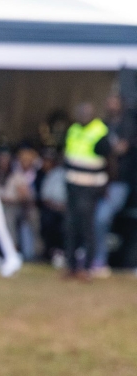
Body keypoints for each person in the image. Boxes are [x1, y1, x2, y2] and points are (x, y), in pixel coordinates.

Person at [63, 102, 111, 280]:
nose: (82, 115)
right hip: (72, 185)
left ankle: (88, 267)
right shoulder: (73, 130)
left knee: (86, 227)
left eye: (86, 113)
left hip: (90, 187)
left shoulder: (99, 131)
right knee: (70, 226)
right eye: (80, 112)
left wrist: (104, 186)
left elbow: (110, 160)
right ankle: (71, 266)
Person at [91, 93, 134, 277]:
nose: (111, 106)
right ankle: (96, 260)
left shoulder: (128, 125)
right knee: (93, 218)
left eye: (114, 102)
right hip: (100, 181)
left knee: (102, 217)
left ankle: (100, 259)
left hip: (120, 183)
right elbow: (97, 148)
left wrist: (112, 150)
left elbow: (121, 148)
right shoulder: (103, 125)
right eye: (109, 102)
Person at [37, 148, 68, 268]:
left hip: (68, 210)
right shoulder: (54, 174)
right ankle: (50, 252)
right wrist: (55, 206)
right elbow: (45, 196)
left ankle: (65, 253)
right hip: (52, 208)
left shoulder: (74, 176)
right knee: (48, 220)